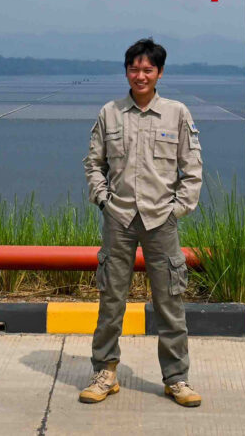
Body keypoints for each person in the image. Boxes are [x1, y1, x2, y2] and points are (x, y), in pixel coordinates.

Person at [81, 37, 204, 408]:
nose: (140, 75)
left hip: (161, 220)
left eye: (148, 69)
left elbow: (192, 169)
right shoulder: (110, 113)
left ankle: (176, 378)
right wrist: (103, 200)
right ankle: (105, 372)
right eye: (134, 68)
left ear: (159, 73)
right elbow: (93, 164)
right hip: (118, 218)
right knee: (110, 300)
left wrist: (177, 209)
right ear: (126, 71)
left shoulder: (177, 113)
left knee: (170, 302)